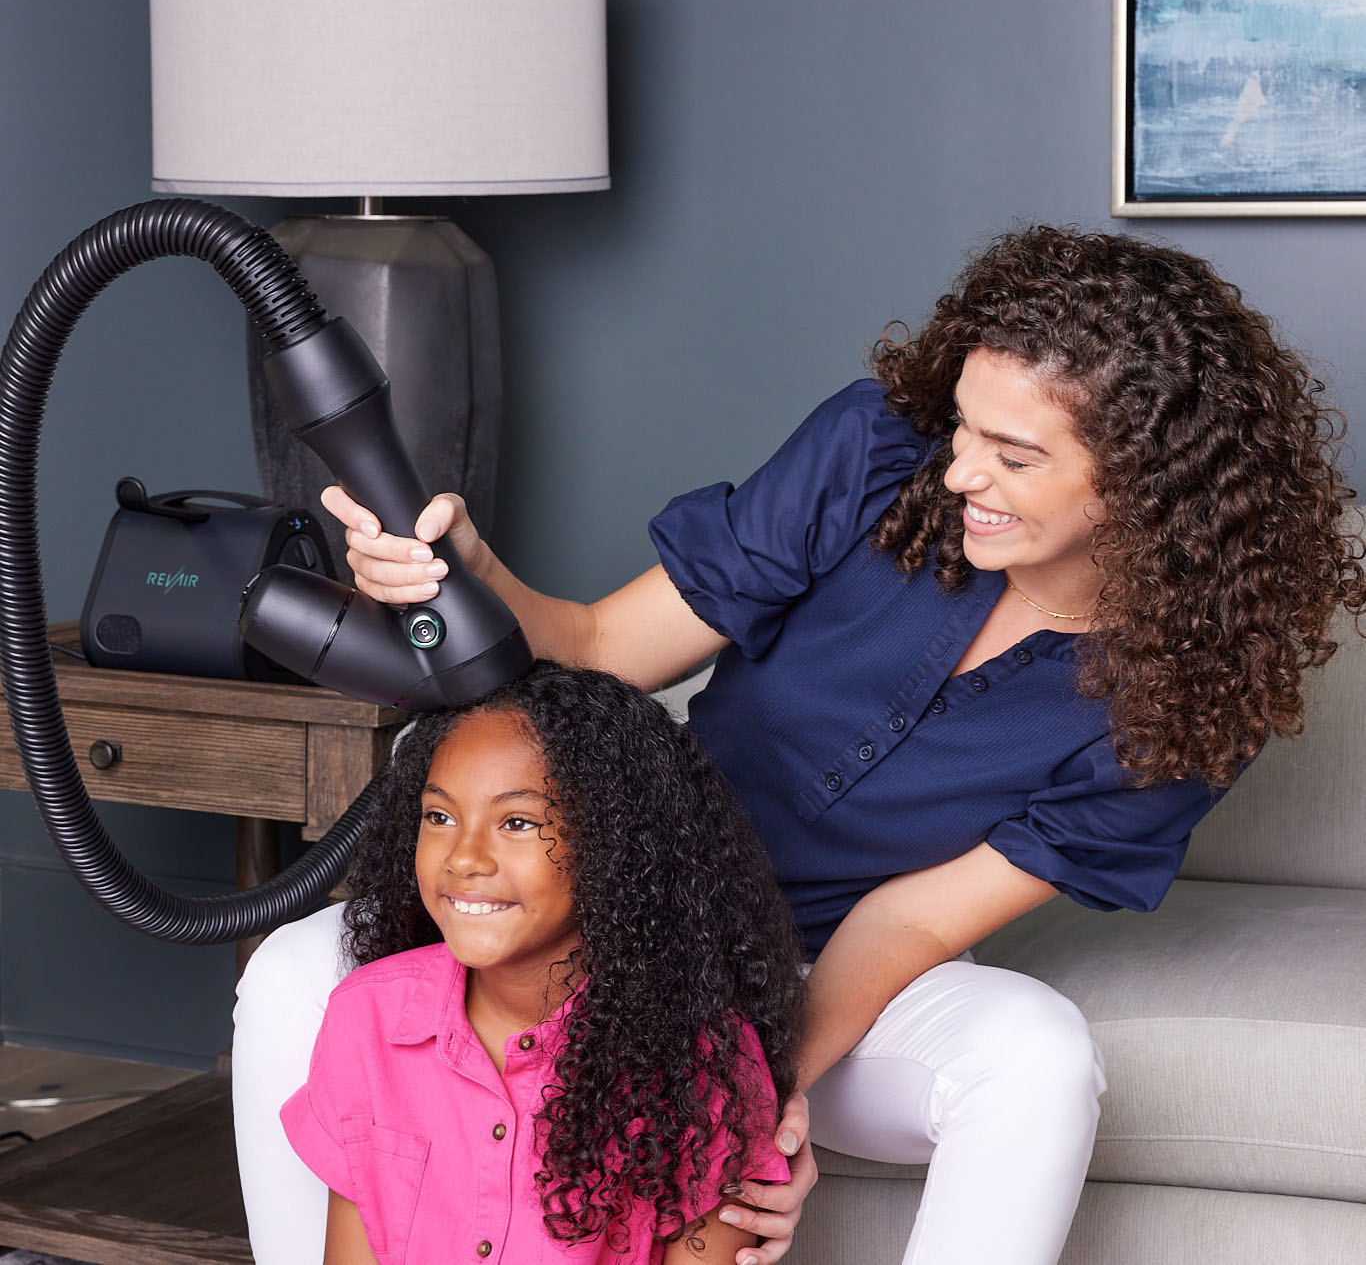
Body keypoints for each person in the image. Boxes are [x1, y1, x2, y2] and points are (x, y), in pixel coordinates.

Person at [235, 225, 1366, 1265]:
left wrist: (749, 1092)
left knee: (1034, 1060)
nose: (961, 470)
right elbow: (597, 643)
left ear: (1145, 486)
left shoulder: (1188, 698)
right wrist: (471, 567)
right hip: (618, 917)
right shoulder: (875, 453)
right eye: (965, 425)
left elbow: (914, 917)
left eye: (1013, 456)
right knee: (294, 971)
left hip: (821, 968)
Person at [282, 660, 805, 1264]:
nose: (465, 857)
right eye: (440, 816)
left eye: (518, 822)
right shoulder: (366, 1015)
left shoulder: (702, 1060)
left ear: (615, 846)